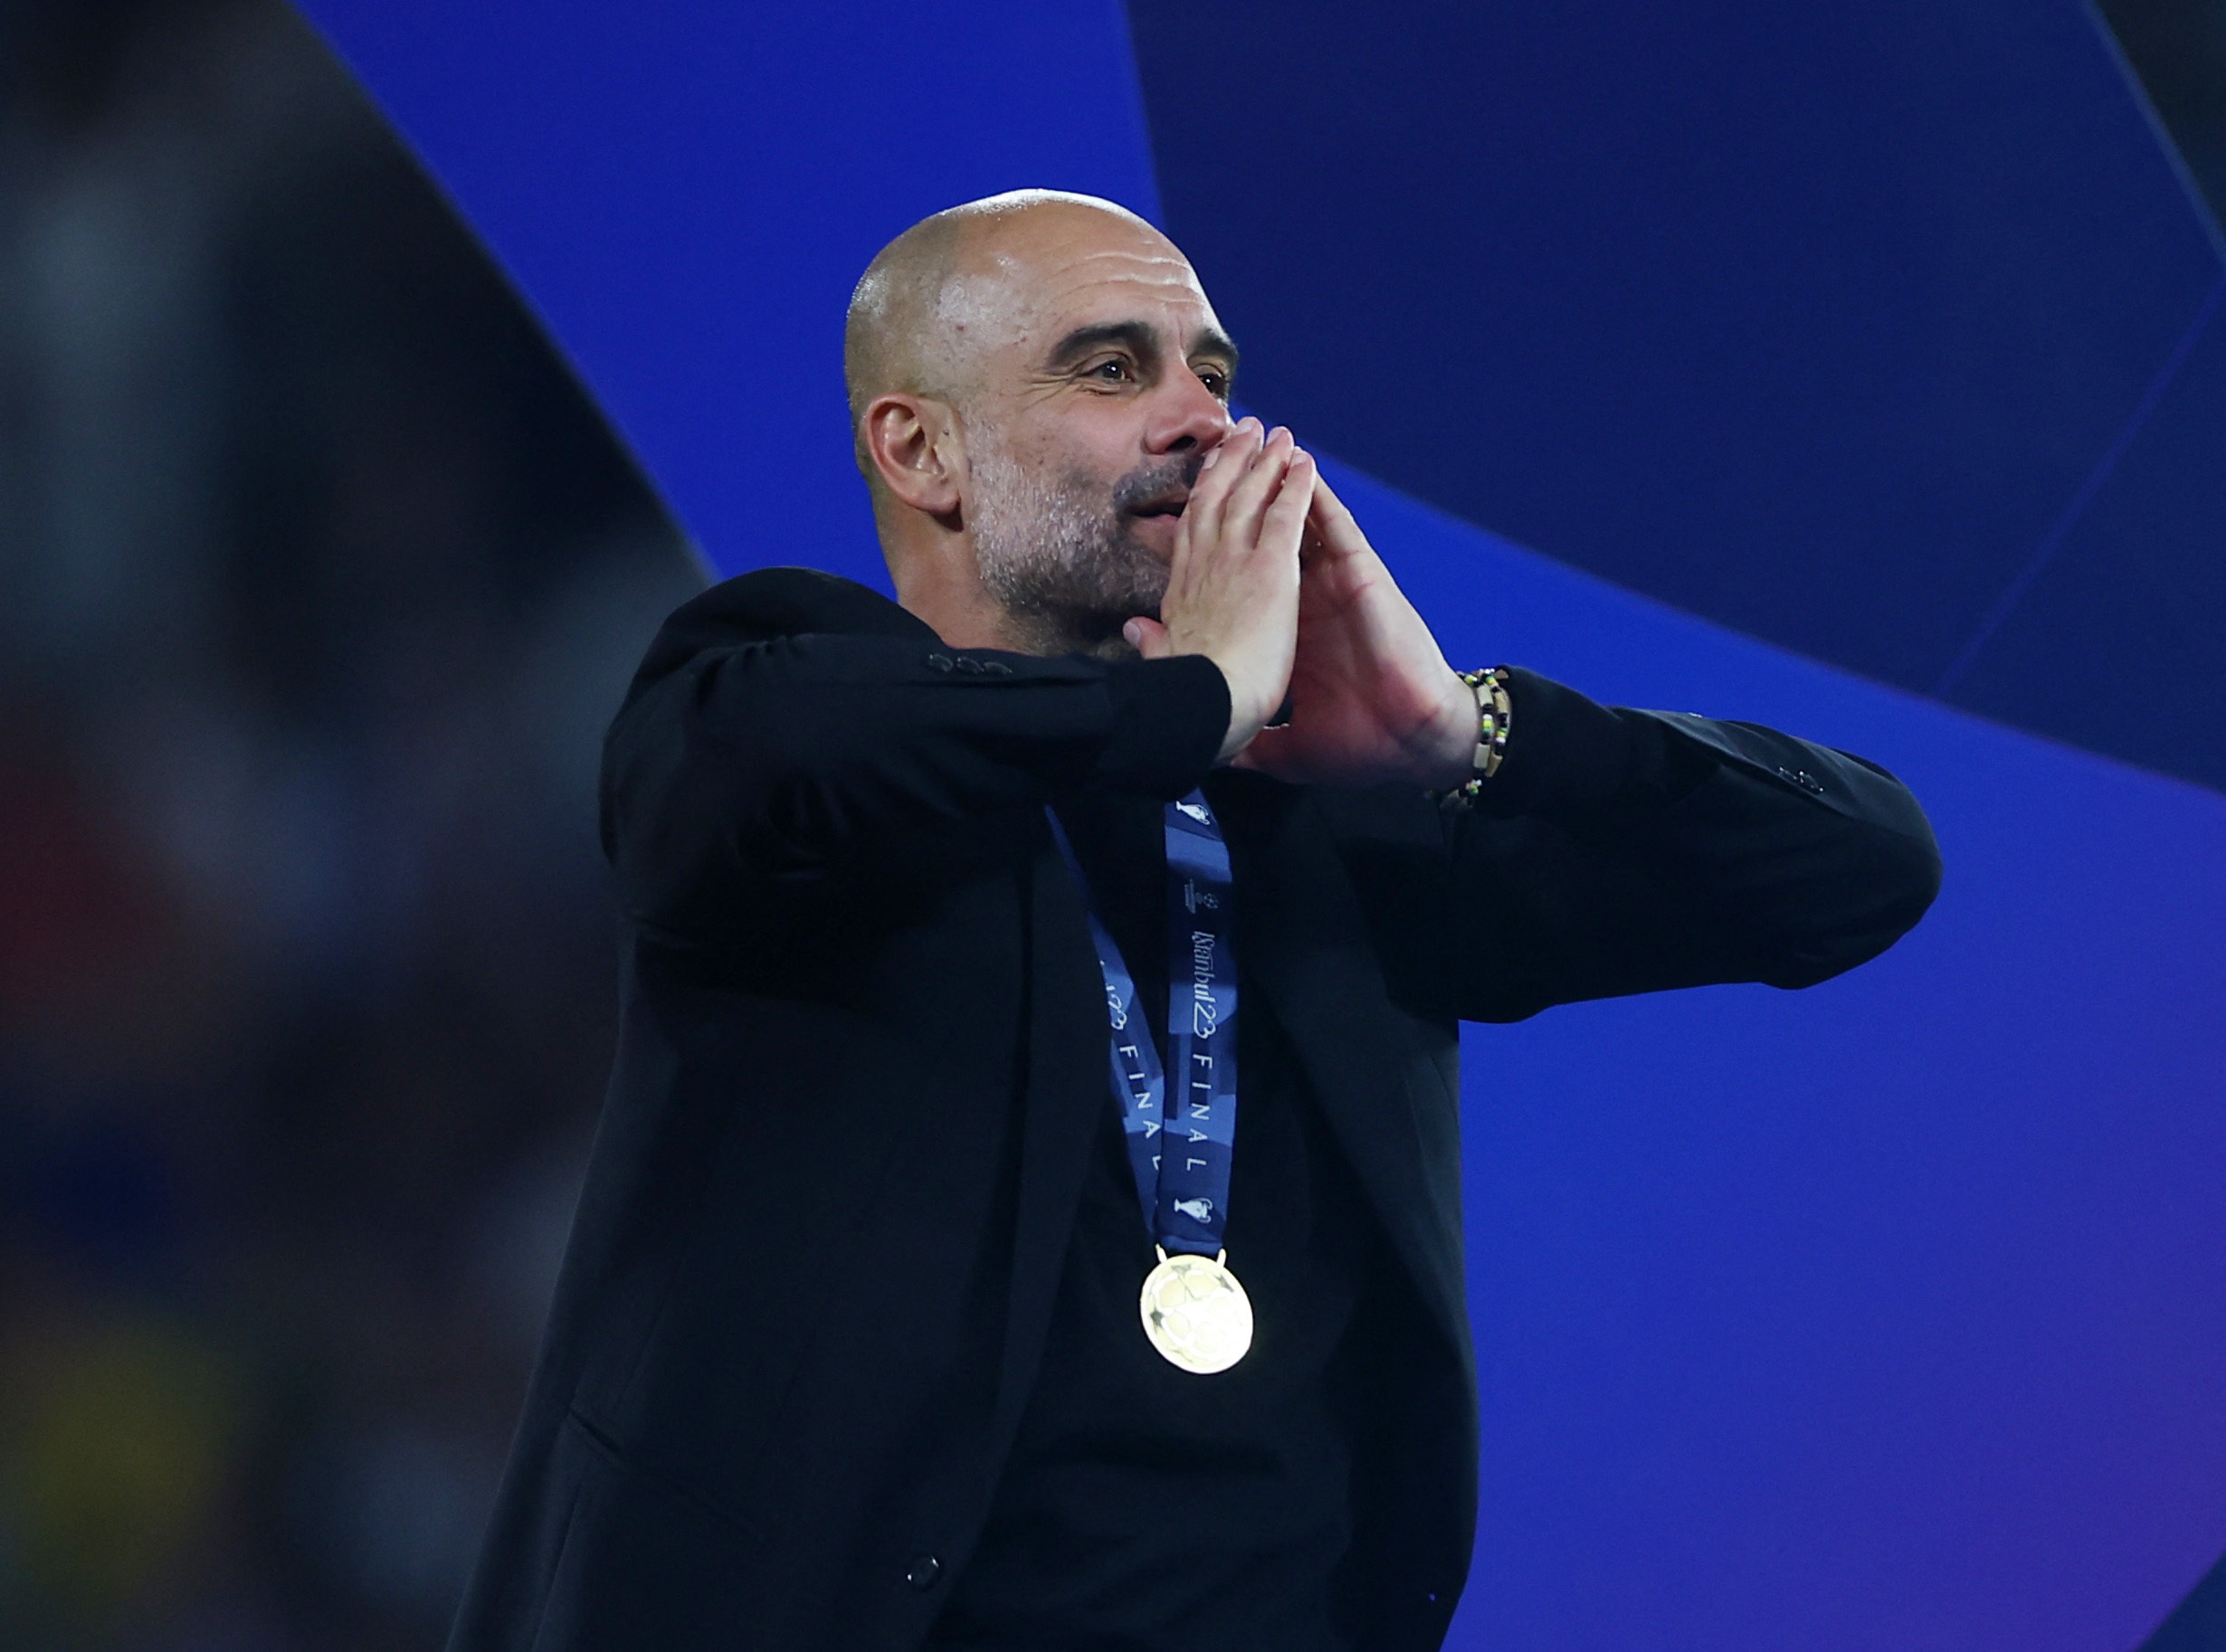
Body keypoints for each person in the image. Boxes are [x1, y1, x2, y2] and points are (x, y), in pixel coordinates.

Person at [448, 190, 1940, 1652]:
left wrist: (1465, 734)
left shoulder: (1324, 805)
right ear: (923, 449)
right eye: (1111, 368)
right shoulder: (775, 726)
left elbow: (1863, 862)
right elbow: (788, 749)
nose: (1201, 420)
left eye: (1212, 373)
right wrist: (1197, 696)